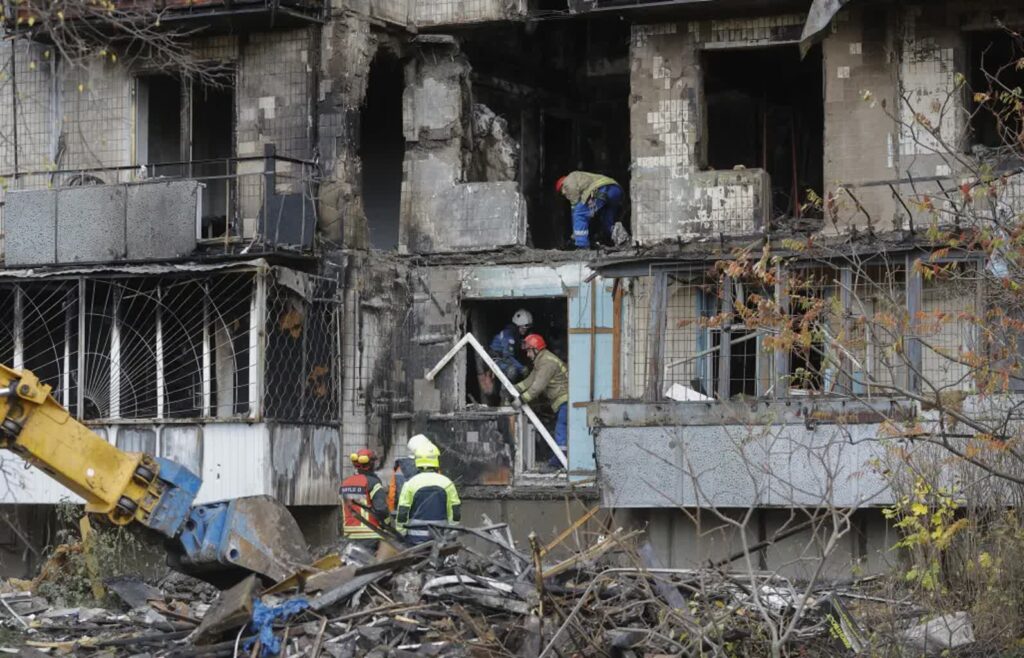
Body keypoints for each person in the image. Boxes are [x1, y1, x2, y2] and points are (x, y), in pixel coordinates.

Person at [513, 333, 569, 467]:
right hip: (562, 402)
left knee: (561, 430)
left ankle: (559, 462)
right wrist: (513, 388)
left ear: (536, 349)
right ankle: (560, 457)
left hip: (566, 401)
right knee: (561, 430)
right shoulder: (541, 361)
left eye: (528, 351)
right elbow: (530, 381)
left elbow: (537, 387)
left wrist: (520, 400)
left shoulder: (547, 363)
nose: (527, 355)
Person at [395, 441, 461, 545]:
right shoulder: (447, 483)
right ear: (436, 461)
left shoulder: (410, 484)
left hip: (415, 538)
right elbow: (455, 512)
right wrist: (452, 531)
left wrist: (401, 533)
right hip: (440, 537)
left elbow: (403, 512)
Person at [555, 171, 624, 249]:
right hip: (615, 190)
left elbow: (576, 204)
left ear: (562, 187)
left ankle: (582, 245)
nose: (564, 194)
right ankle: (621, 240)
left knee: (580, 213)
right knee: (607, 220)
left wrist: (575, 234)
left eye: (562, 193)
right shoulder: (582, 179)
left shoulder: (568, 181)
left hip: (600, 191)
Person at [339, 449, 389, 549]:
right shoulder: (373, 483)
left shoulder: (344, 483)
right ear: (371, 464)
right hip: (371, 534)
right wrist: (387, 525)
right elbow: (381, 510)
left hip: (350, 535)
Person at [488, 308, 533, 383]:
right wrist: (521, 368)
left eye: (528, 327)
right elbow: (507, 356)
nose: (526, 330)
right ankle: (505, 393)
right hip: (496, 359)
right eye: (524, 327)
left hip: (504, 358)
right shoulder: (508, 334)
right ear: (518, 325)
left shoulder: (517, 335)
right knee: (512, 371)